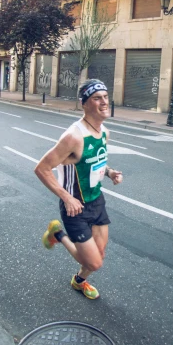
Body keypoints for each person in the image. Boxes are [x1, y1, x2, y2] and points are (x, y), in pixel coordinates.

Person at [35, 79, 123, 300]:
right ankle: (58, 234)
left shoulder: (104, 132)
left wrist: (110, 172)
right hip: (75, 207)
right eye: (97, 98)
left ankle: (79, 281)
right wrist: (66, 198)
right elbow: (42, 168)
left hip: (96, 201)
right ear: (85, 104)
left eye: (105, 96)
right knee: (93, 262)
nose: (104, 102)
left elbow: (94, 161)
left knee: (99, 255)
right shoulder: (74, 137)